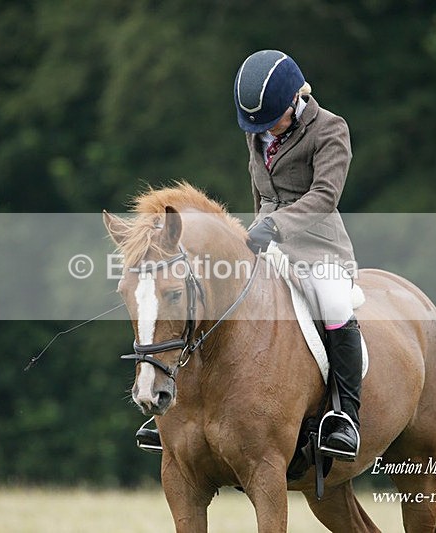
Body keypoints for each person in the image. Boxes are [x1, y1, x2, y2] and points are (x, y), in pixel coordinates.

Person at [138, 49, 362, 461]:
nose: (264, 131)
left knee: (332, 302)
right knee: (204, 296)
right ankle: (176, 410)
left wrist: (277, 226)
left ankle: (345, 416)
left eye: (270, 120)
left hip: (318, 246)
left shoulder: (331, 130)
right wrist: (256, 230)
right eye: (255, 125)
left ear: (296, 100)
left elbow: (325, 196)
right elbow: (261, 191)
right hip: (263, 240)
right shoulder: (257, 131)